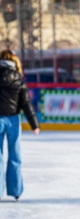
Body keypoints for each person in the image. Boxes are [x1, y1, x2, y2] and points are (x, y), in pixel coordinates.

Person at [0, 49, 39, 201]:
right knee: (14, 155)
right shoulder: (17, 78)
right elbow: (26, 103)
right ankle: (16, 190)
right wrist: (34, 124)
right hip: (13, 121)